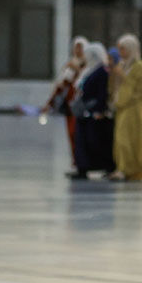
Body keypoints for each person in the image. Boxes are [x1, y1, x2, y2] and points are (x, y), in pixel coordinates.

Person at [110, 34, 142, 181]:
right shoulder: (122, 65)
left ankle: (128, 168)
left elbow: (138, 89)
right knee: (120, 138)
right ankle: (123, 167)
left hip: (134, 107)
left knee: (128, 138)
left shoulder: (140, 67)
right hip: (122, 106)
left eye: (123, 49)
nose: (121, 53)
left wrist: (123, 76)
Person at [71, 42, 115, 179]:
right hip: (86, 112)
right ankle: (83, 167)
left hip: (94, 112)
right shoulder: (90, 70)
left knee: (96, 142)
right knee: (83, 142)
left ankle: (102, 167)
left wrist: (99, 110)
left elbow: (102, 93)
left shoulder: (102, 71)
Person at [44, 37, 88, 168]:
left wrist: (77, 70)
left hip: (80, 103)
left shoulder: (87, 64)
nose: (78, 50)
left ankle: (81, 160)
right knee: (71, 133)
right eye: (76, 47)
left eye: (81, 47)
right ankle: (75, 160)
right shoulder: (71, 64)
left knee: (78, 132)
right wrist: (50, 102)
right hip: (69, 104)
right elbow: (62, 84)